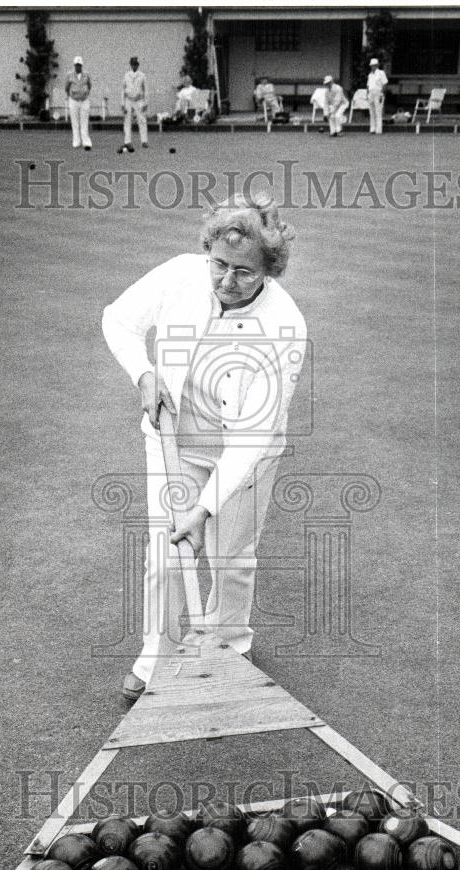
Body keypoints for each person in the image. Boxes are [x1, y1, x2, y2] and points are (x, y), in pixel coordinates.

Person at [102, 194, 307, 701]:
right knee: (164, 557)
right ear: (206, 251)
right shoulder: (179, 274)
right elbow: (118, 320)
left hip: (244, 455)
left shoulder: (283, 329)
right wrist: (144, 373)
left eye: (243, 271)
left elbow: (249, 440)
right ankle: (158, 654)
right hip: (171, 440)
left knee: (231, 555)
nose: (226, 280)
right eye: (219, 264)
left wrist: (204, 507)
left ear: (269, 270)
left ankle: (230, 644)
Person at [121, 56, 148, 152]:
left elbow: (146, 89)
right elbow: (122, 89)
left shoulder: (142, 75)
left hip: (139, 99)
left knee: (142, 120)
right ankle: (127, 141)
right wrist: (122, 103)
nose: (134, 66)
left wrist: (146, 102)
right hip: (128, 100)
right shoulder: (126, 75)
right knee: (127, 121)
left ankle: (144, 140)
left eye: (136, 64)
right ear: (130, 64)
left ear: (138, 65)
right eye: (132, 64)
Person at [65, 56, 92, 150]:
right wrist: (71, 95)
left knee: (84, 121)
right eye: (76, 65)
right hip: (73, 100)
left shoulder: (86, 75)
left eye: (79, 65)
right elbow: (66, 87)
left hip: (84, 100)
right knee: (75, 122)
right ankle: (76, 141)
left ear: (82, 65)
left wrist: (85, 93)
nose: (78, 67)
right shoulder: (69, 75)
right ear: (74, 65)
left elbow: (89, 85)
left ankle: (86, 141)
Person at [366, 58, 388, 135]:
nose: (373, 67)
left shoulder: (381, 73)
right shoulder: (370, 75)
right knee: (371, 112)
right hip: (371, 93)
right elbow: (368, 85)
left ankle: (379, 130)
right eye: (372, 66)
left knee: (378, 111)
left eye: (374, 65)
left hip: (378, 93)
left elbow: (384, 84)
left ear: (377, 65)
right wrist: (367, 94)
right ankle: (372, 128)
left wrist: (382, 94)